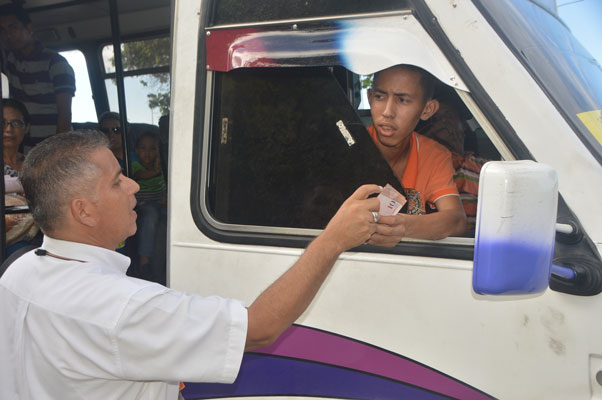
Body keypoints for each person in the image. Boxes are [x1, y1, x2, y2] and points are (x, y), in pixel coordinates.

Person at [0, 130, 399, 398]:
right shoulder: (122, 307)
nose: (135, 185)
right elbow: (259, 328)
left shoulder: (19, 271)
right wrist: (333, 240)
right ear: (83, 211)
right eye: (118, 181)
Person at [366, 64, 466, 241]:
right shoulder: (350, 146)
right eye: (380, 97)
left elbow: (456, 221)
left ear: (427, 110)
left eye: (403, 100)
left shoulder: (434, 155)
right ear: (370, 98)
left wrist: (397, 226)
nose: (388, 112)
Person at [0, 4, 75, 148]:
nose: (8, 35)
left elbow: (64, 116)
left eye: (13, 27)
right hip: (22, 148)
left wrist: (57, 151)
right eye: (3, 30)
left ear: (29, 28)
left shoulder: (56, 63)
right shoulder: (8, 62)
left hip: (50, 147)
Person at [417, 94, 489, 236]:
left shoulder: (485, 169)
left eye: (448, 115)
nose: (443, 122)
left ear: (463, 126)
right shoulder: (417, 166)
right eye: (435, 119)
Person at [2, 98, 39, 255]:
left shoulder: (35, 166)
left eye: (16, 123)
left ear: (27, 127)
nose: (8, 129)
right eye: (2, 122)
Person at [131, 131, 167, 283]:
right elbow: (141, 175)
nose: (148, 153)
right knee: (150, 217)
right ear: (137, 151)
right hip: (144, 205)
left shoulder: (161, 166)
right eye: (143, 148)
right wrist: (155, 171)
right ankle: (144, 259)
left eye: (153, 149)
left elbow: (164, 186)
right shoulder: (135, 165)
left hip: (160, 203)